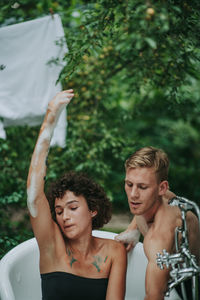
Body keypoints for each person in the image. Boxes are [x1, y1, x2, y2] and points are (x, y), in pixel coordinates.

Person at [27, 90, 127, 300]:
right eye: (59, 211)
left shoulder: (113, 252)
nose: (64, 216)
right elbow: (35, 196)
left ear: (92, 209)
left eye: (73, 208)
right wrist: (50, 120)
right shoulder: (52, 246)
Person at [115, 146, 200, 300]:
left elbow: (154, 296)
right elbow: (143, 205)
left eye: (142, 187)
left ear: (161, 188)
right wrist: (133, 230)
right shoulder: (157, 197)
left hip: (188, 281)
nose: (133, 195)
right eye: (129, 184)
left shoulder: (159, 238)